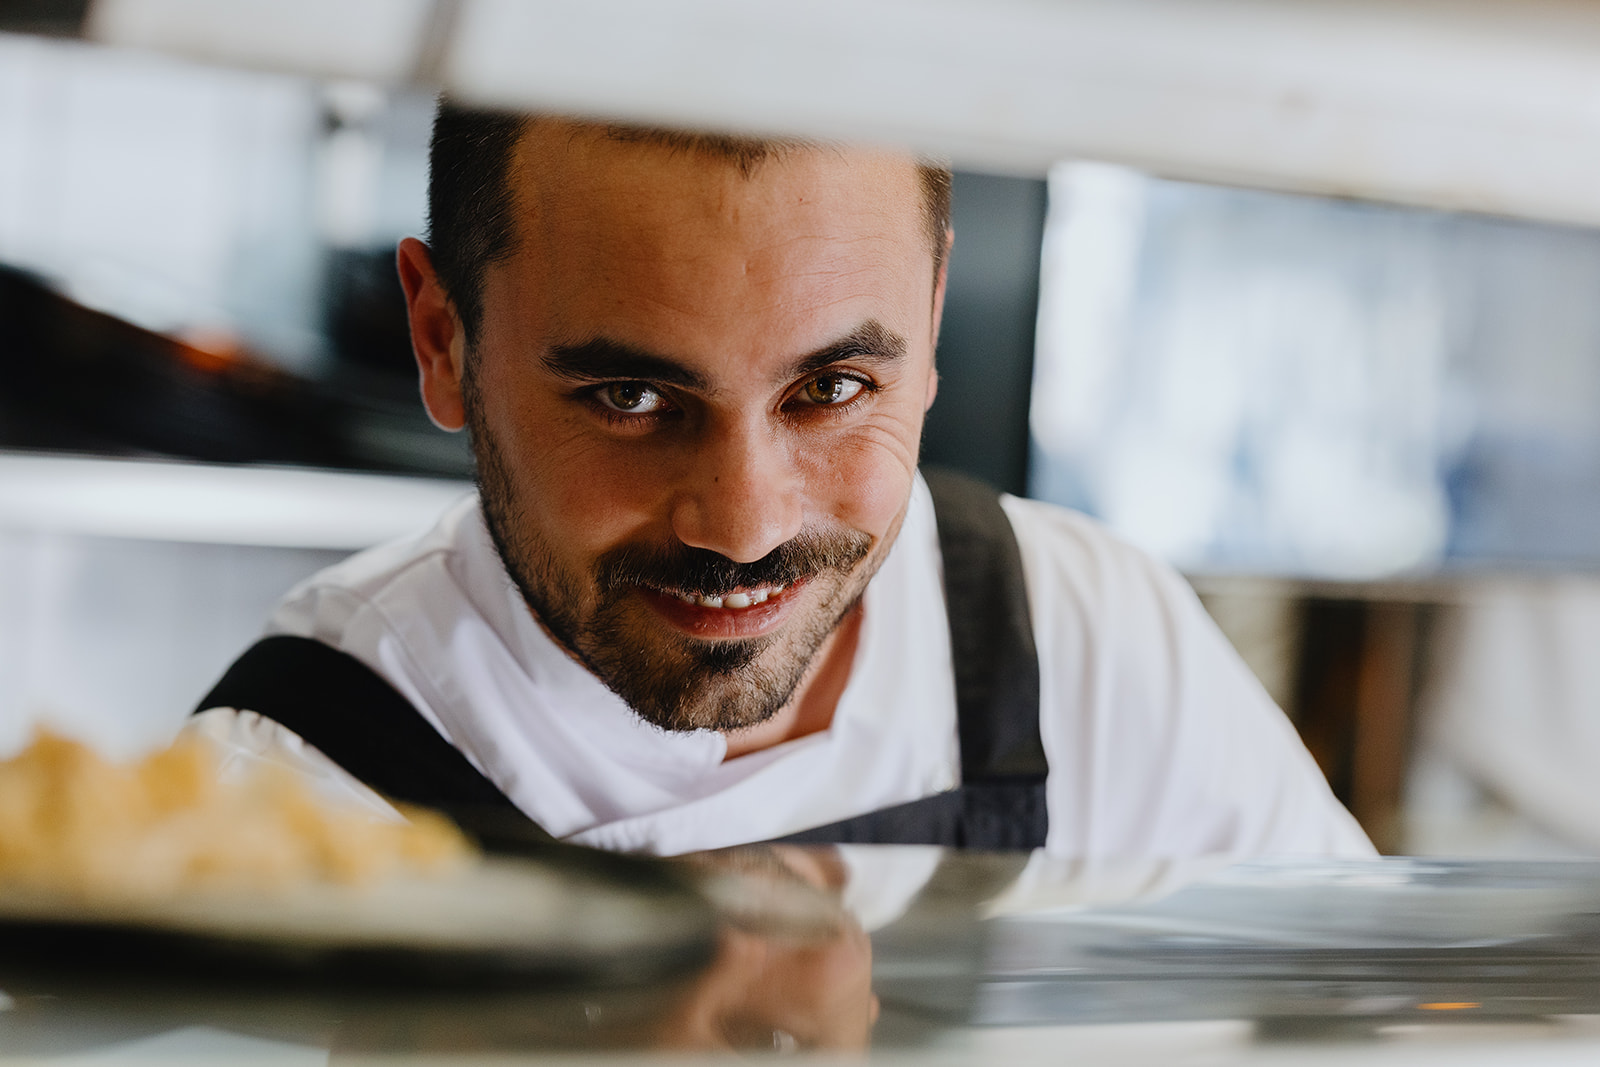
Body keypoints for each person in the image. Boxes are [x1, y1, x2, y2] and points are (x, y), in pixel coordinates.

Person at [192, 104, 1372, 859]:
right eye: (630, 398)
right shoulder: (275, 795)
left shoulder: (1081, 635)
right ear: (443, 338)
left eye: (835, 387)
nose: (746, 525)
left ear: (932, 313)